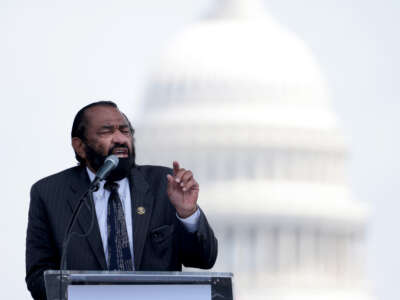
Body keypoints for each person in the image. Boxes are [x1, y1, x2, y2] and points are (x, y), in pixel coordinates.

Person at [25, 101, 218, 300]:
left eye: (125, 131)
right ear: (80, 146)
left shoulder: (164, 185)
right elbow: (38, 277)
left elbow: (204, 259)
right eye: (106, 132)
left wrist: (187, 213)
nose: (120, 139)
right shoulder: (49, 193)